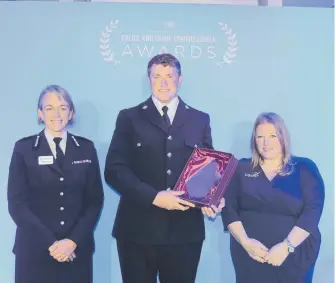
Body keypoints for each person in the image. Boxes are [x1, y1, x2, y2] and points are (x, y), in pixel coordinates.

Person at [104, 53, 224, 283]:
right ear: (149, 80)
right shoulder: (129, 117)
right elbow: (114, 170)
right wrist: (154, 197)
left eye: (169, 76)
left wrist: (214, 197)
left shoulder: (200, 119)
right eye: (157, 76)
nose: (164, 82)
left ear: (180, 79)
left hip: (184, 232)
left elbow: (209, 171)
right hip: (137, 231)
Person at [7, 85, 104, 283]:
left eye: (63, 107)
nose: (56, 114)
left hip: (76, 251)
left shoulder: (86, 149)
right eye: (49, 108)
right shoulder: (24, 149)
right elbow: (17, 204)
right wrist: (52, 244)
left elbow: (94, 201)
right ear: (40, 114)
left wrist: (72, 242)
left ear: (71, 113)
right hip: (34, 250)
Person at [221, 112, 325, 283]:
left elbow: (313, 210)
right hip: (250, 256)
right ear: (254, 140)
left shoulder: (305, 168)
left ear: (283, 137)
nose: (266, 143)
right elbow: (228, 208)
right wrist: (246, 243)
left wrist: (286, 247)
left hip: (295, 255)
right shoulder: (240, 168)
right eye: (260, 137)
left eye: (272, 136)